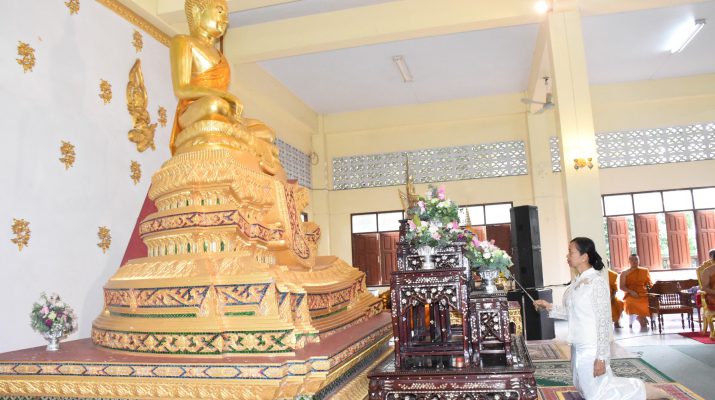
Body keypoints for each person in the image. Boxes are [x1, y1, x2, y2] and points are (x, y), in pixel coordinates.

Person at [534, 238, 646, 400]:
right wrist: (548, 306)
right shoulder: (577, 281)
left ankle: (645, 391)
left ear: (584, 256)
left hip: (591, 348)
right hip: (577, 346)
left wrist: (601, 357)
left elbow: (603, 322)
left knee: (598, 394)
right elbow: (572, 313)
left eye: (571, 252)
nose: (567, 256)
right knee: (585, 390)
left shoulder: (597, 282)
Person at [620, 254, 652, 329]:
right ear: (629, 261)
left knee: (650, 302)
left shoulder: (644, 271)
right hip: (630, 294)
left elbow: (649, 284)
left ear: (639, 261)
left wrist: (649, 291)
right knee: (630, 303)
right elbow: (622, 286)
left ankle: (641, 316)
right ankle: (641, 317)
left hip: (643, 294)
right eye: (632, 260)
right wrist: (631, 292)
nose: (635, 261)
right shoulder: (624, 273)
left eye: (636, 259)